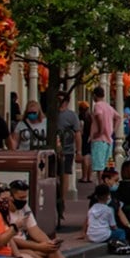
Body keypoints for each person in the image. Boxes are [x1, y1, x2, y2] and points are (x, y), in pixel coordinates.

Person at [7, 179, 98, 258]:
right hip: (14, 248)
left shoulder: (24, 208)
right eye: (20, 198)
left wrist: (48, 243)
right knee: (31, 254)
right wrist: (39, 247)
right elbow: (11, 239)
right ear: (11, 197)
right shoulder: (4, 213)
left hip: (25, 244)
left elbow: (34, 230)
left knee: (51, 249)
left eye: (25, 197)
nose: (23, 201)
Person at [56, 94, 80, 224]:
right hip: (53, 150)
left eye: (61, 100)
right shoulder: (51, 114)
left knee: (65, 174)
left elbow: (77, 133)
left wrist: (79, 151)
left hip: (67, 150)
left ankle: (62, 200)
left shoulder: (72, 116)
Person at [89, 86, 117, 176]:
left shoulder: (97, 106)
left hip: (99, 140)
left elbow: (99, 117)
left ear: (95, 95)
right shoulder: (108, 107)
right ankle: (107, 182)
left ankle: (100, 182)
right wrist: (113, 130)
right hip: (109, 140)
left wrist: (100, 131)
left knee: (99, 165)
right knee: (108, 164)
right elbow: (118, 117)